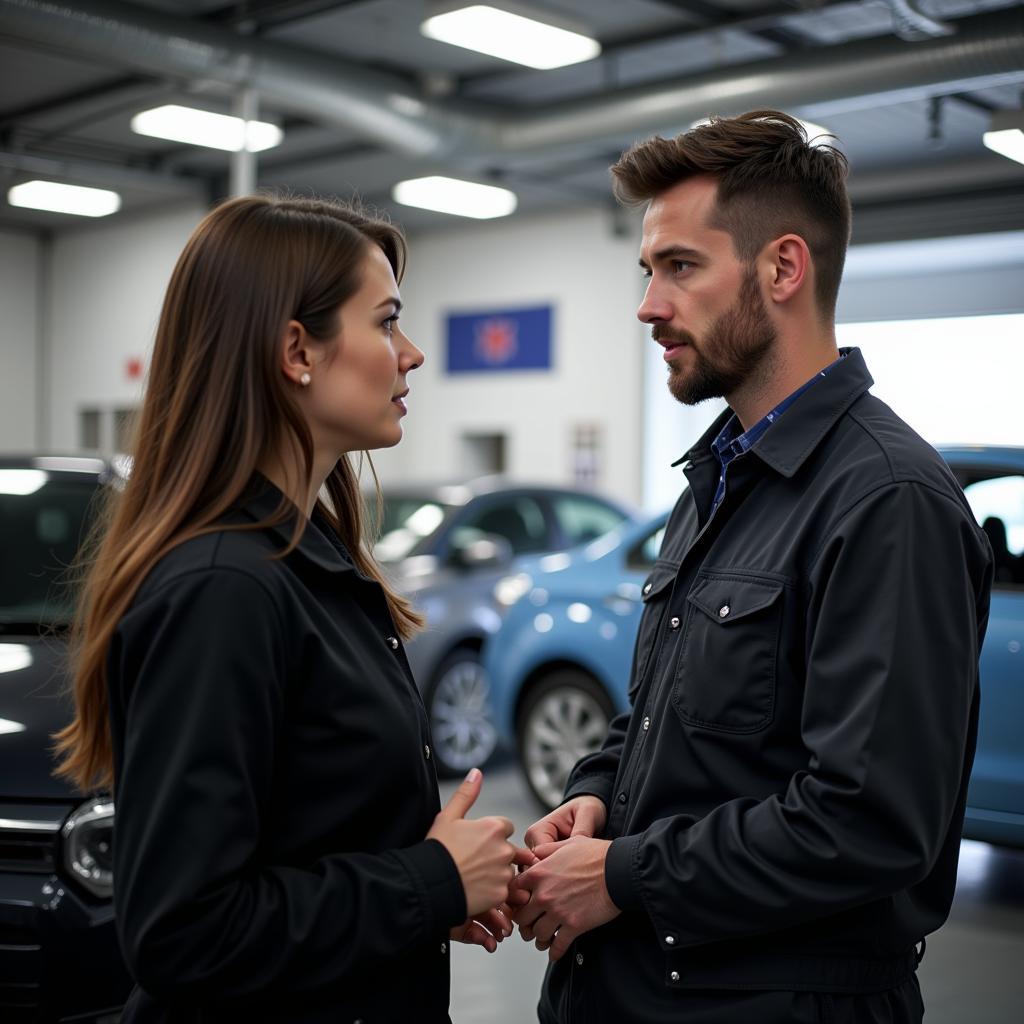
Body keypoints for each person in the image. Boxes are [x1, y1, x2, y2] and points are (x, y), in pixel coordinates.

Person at [509, 111, 994, 1024]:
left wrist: (622, 873)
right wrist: (596, 798)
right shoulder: (720, 476)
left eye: (680, 267)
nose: (649, 304)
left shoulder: (887, 501)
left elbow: (868, 822)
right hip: (645, 989)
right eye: (648, 271)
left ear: (782, 269)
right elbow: (668, 714)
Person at [53, 194, 527, 1023]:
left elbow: (307, 845)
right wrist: (429, 879)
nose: (411, 354)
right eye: (385, 324)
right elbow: (185, 934)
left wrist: (426, 890)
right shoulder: (224, 587)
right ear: (296, 350)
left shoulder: (310, 561)